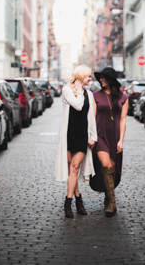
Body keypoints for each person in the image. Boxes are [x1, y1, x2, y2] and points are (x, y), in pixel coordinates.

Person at [55, 64, 97, 218]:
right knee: (72, 170)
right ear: (80, 76)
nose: (90, 79)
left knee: (74, 167)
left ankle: (68, 202)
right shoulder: (67, 90)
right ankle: (79, 200)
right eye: (88, 76)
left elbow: (91, 116)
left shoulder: (89, 94)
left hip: (82, 136)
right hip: (68, 135)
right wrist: (79, 91)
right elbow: (78, 106)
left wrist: (93, 135)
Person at [92, 67, 128, 217]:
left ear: (110, 79)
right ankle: (112, 203)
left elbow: (123, 120)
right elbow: (92, 118)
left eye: (102, 78)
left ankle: (108, 196)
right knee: (106, 164)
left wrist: (121, 140)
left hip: (115, 136)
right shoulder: (95, 95)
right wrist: (91, 136)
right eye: (99, 77)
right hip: (100, 135)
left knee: (113, 167)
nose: (100, 80)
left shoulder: (123, 97)